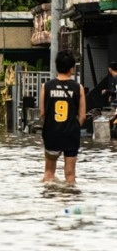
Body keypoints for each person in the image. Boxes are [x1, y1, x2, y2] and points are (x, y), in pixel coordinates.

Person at [40, 50, 86, 185]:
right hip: (71, 134)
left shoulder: (46, 87)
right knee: (70, 175)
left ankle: (47, 202)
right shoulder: (78, 88)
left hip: (52, 133)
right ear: (72, 68)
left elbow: (42, 113)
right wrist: (73, 128)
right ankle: (69, 200)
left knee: (49, 173)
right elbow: (82, 116)